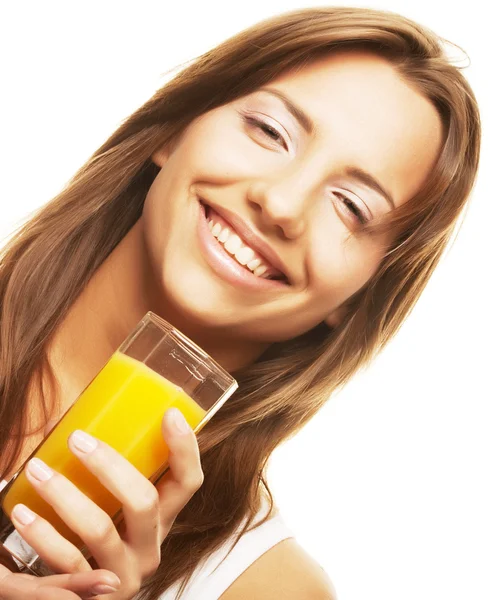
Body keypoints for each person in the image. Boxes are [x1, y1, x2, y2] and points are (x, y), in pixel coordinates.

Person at [0, 5, 480, 600]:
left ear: (358, 299)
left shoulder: (268, 588)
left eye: (351, 206)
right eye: (270, 132)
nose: (281, 204)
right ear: (177, 127)